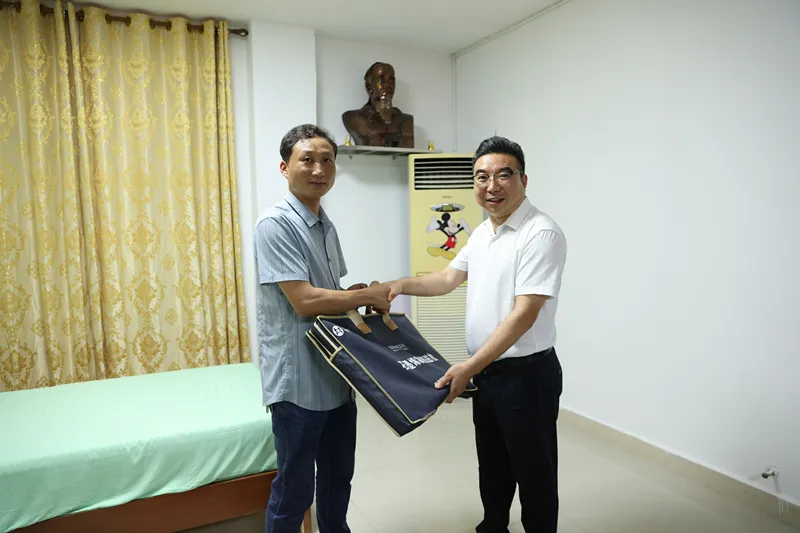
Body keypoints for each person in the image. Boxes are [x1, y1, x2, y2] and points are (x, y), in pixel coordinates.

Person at [386, 136, 567, 533]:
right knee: (493, 467)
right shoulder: (483, 231)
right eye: (482, 177)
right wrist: (397, 285)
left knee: (534, 474)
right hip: (488, 376)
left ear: (523, 180)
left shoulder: (541, 233)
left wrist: (468, 366)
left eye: (503, 175)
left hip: (526, 377)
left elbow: (523, 316)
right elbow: (447, 279)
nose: (491, 186)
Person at [253, 124, 391, 533]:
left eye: (327, 160)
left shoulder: (325, 224)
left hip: (336, 375)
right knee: (294, 492)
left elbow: (329, 292)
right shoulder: (275, 225)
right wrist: (360, 297)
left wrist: (359, 294)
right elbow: (305, 301)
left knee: (337, 482)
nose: (318, 169)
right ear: (285, 167)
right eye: (307, 160)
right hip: (299, 382)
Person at [341, 62, 414, 148]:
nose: (388, 85)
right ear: (369, 86)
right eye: (382, 80)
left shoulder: (406, 120)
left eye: (391, 80)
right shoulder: (353, 117)